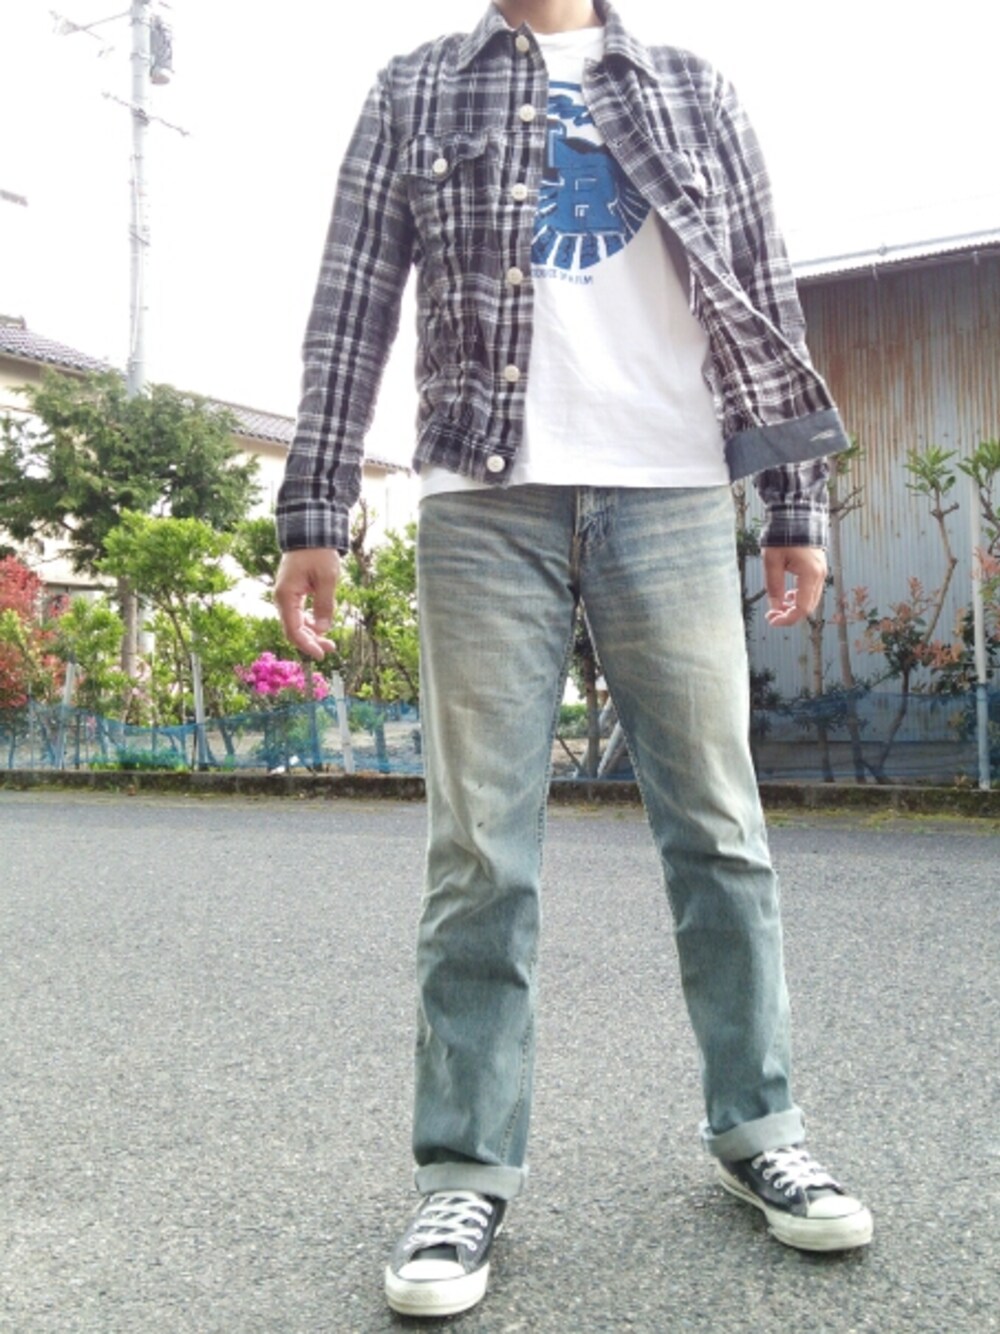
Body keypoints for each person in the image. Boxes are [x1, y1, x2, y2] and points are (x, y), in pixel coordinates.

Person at [274, 0, 873, 1318]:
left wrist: (795, 501)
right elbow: (349, 306)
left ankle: (760, 1126)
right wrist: (315, 507)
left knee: (718, 828)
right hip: (483, 502)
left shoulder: (696, 88)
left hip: (671, 490)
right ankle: (464, 1170)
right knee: (480, 853)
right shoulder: (413, 88)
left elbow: (764, 291)